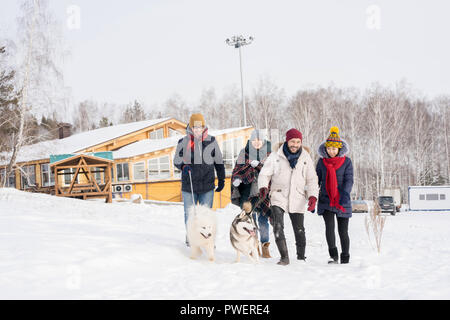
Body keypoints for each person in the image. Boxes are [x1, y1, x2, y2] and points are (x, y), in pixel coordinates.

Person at [258, 128, 319, 265]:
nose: (295, 145)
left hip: (297, 197)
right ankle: (284, 257)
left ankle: (301, 258)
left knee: (299, 229)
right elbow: (264, 173)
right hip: (278, 195)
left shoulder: (305, 157)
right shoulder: (275, 156)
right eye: (292, 141)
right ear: (287, 140)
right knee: (278, 226)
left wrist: (313, 197)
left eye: (298, 142)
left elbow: (312, 179)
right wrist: (263, 186)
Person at [173, 113, 225, 246]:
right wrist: (183, 166)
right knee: (190, 214)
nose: (197, 130)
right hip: (189, 185)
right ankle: (190, 236)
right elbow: (177, 160)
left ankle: (208, 240)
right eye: (194, 127)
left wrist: (221, 179)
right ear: (190, 127)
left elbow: (219, 162)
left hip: (207, 185)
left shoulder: (211, 141)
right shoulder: (183, 142)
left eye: (199, 127)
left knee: (206, 215)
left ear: (203, 127)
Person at [231, 129, 272, 258]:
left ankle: (265, 246)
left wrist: (259, 165)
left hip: (263, 191)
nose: (257, 143)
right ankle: (253, 247)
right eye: (254, 140)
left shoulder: (269, 154)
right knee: (250, 220)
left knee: (263, 220)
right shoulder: (244, 153)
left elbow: (272, 170)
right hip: (247, 191)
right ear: (251, 141)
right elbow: (237, 169)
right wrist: (237, 179)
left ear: (263, 141)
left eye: (259, 140)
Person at [316, 126, 354, 264]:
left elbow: (349, 179)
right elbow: (316, 180)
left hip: (342, 200)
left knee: (343, 231)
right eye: (329, 148)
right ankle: (333, 256)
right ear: (325, 149)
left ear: (339, 149)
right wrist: (313, 196)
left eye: (334, 148)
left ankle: (345, 258)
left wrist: (344, 194)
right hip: (326, 200)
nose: (331, 151)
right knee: (329, 229)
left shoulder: (347, 162)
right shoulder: (321, 162)